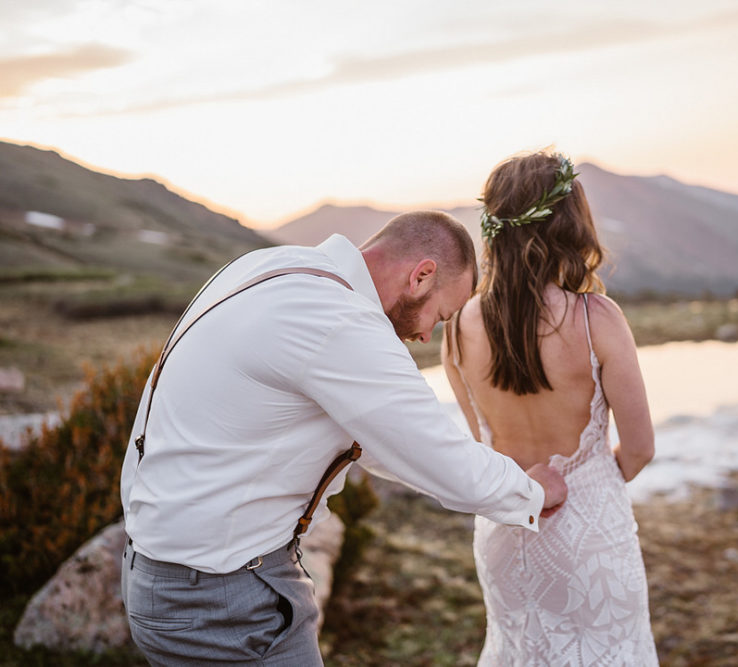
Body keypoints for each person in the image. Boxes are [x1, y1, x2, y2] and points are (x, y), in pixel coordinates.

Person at [119, 210, 568, 666]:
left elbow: (383, 441)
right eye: (440, 314)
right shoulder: (339, 320)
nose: (427, 334)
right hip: (220, 599)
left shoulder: (267, 267)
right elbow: (435, 453)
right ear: (422, 275)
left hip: (161, 572)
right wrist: (530, 490)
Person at [442, 151, 658, 665]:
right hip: (591, 534)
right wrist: (596, 481)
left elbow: (482, 448)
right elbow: (641, 449)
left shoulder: (455, 327)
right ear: (569, 223)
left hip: (506, 533)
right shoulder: (595, 318)